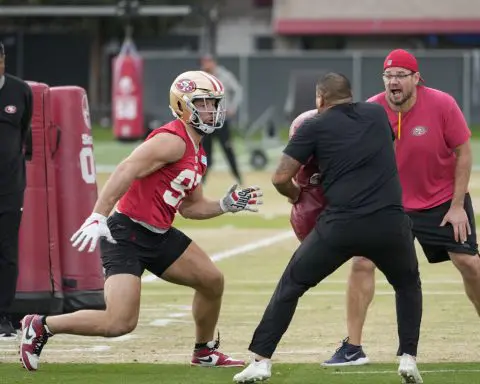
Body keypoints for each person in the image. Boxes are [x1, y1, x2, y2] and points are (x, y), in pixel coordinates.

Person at [19, 70, 263, 371]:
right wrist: (99, 213)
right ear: (183, 106)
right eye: (203, 103)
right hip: (127, 235)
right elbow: (126, 168)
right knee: (119, 322)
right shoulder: (172, 140)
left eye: (214, 104)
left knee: (212, 281)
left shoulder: (198, 151)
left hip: (159, 235)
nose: (211, 110)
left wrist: (226, 205)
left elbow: (191, 207)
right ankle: (41, 326)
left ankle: (204, 351)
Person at [233, 72, 423, 384]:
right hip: (390, 222)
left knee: (291, 286)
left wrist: (299, 195)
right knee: (407, 285)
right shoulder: (377, 113)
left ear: (320, 100)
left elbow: (280, 178)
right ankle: (408, 358)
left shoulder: (313, 125)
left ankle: (260, 361)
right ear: (351, 95)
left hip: (342, 224)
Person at [323, 49, 479, 368]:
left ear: (416, 79)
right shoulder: (371, 110)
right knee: (362, 261)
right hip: (391, 206)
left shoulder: (442, 104)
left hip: (442, 201)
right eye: (389, 76)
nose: (394, 81)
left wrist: (458, 206)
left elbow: (464, 152)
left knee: (469, 262)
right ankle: (352, 347)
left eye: (401, 76)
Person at [0, 41, 33, 339]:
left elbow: (24, 131)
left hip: (10, 187)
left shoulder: (19, 90)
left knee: (7, 252)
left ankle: (2, 317)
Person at [200, 54, 243, 185]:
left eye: (208, 62)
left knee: (227, 149)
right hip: (206, 120)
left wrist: (232, 108)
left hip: (221, 120)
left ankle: (238, 178)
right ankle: (202, 181)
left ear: (213, 62)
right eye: (204, 62)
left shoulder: (224, 75)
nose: (206, 65)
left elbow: (238, 90)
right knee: (206, 152)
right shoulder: (201, 78)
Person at [288, 109, 326, 242]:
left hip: (311, 211)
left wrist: (293, 193)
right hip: (355, 206)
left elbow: (280, 179)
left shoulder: (305, 123)